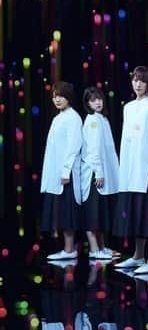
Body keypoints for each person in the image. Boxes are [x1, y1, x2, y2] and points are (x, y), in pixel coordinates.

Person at [113, 66, 148, 274]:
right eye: (135, 80)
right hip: (130, 170)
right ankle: (138, 255)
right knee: (137, 213)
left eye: (142, 81)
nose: (138, 84)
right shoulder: (128, 107)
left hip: (147, 172)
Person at [41, 81, 83, 261]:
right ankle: (66, 249)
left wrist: (66, 170)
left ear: (69, 98)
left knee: (68, 212)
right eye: (55, 96)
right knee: (61, 211)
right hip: (57, 172)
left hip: (67, 174)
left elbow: (74, 145)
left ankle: (70, 249)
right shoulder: (58, 118)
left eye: (61, 96)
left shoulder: (73, 118)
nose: (57, 100)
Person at [80, 86, 120, 260]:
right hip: (94, 174)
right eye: (92, 100)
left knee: (100, 213)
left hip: (103, 173)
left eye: (99, 99)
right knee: (92, 213)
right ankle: (94, 249)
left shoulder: (102, 119)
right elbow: (94, 150)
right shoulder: (92, 120)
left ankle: (102, 247)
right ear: (87, 103)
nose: (97, 102)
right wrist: (99, 172)